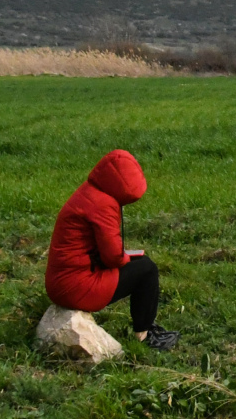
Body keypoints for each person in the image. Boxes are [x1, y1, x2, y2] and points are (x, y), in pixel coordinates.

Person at [46, 150, 180, 350]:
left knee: (140, 265)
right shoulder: (103, 204)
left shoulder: (90, 191)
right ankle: (144, 335)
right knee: (147, 270)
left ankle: (144, 329)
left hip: (64, 279)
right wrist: (125, 259)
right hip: (76, 287)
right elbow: (113, 257)